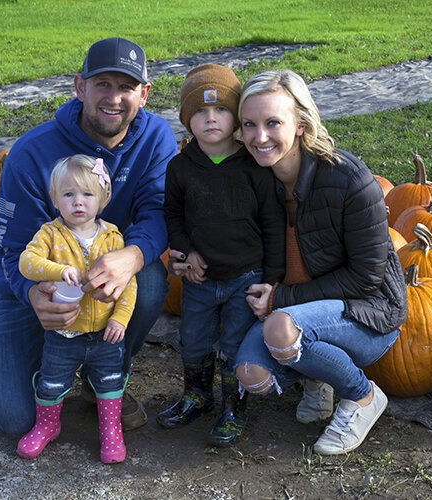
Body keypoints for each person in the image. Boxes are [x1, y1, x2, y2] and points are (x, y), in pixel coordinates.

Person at [0, 37, 177, 437]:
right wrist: (31, 292)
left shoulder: (156, 138)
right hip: (42, 282)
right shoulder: (30, 154)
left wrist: (132, 256)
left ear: (144, 94)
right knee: (14, 417)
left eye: (125, 87)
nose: (114, 97)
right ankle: (52, 358)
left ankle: (104, 377)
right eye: (102, 84)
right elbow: (11, 248)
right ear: (79, 87)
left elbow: (157, 209)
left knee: (151, 280)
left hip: (108, 279)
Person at [232, 70, 407, 455]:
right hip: (294, 309)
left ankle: (362, 396)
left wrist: (280, 299)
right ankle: (317, 378)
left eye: (273, 123)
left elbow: (367, 276)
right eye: (249, 124)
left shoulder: (349, 178)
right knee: (252, 375)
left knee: (280, 328)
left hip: (367, 314)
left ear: (301, 124)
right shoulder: (259, 180)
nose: (259, 137)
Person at [159, 64, 285, 446]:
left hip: (246, 278)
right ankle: (196, 395)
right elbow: (173, 216)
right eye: (199, 112)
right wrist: (185, 251)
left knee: (234, 345)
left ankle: (234, 405)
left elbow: (274, 223)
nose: (210, 119)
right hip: (200, 278)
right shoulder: (180, 168)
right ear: (186, 121)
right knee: (193, 339)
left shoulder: (255, 169)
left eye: (221, 110)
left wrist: (272, 276)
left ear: (237, 117)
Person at [15, 154, 136, 463]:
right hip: (63, 333)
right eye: (68, 194)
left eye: (87, 194)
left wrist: (121, 319)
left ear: (103, 199)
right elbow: (26, 262)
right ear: (56, 200)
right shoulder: (50, 235)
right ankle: (48, 425)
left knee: (109, 382)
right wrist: (56, 271)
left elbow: (128, 285)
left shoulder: (112, 237)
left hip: (104, 334)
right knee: (52, 382)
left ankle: (110, 431)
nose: (78, 202)